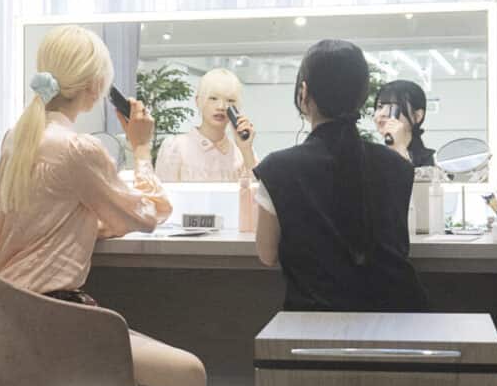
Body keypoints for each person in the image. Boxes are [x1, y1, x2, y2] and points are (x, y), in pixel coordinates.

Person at [0, 25, 207, 386]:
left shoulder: (16, 140)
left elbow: (63, 215)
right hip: (49, 324)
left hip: (0, 325)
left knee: (168, 368)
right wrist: (141, 149)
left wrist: (89, 221)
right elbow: (149, 213)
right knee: (189, 377)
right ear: (94, 87)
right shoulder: (78, 149)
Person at [252, 40, 429, 311]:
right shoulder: (398, 166)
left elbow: (267, 255)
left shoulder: (278, 168)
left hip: (315, 326)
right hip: (399, 320)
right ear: (361, 96)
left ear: (304, 93)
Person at [156, 67, 257, 182]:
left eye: (230, 100)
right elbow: (162, 192)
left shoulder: (242, 151)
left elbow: (257, 191)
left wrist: (246, 150)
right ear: (198, 101)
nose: (221, 107)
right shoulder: (176, 147)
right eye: (213, 98)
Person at [374, 79, 437, 169]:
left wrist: (399, 148)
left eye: (393, 107)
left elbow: (410, 177)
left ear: (417, 116)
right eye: (380, 107)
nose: (383, 113)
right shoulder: (371, 157)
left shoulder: (434, 161)